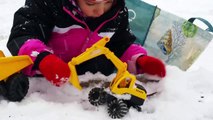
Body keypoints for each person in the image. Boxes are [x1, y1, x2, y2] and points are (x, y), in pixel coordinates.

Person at [7, 0, 166, 87]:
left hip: (88, 85)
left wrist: (139, 59)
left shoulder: (117, 12)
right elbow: (22, 35)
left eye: (108, 2)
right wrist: (43, 59)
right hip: (46, 86)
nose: (101, 11)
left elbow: (120, 44)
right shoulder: (47, 4)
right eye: (91, 4)